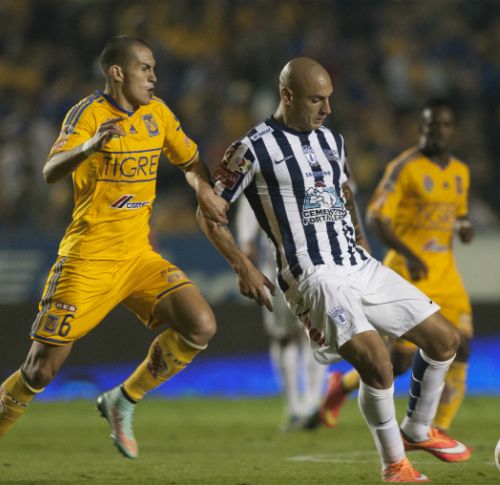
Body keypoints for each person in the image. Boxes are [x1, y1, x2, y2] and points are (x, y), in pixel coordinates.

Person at [0, 36, 228, 485]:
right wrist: (88, 148)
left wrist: (201, 186)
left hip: (139, 256)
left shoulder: (158, 113)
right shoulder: (87, 114)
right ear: (117, 72)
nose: (154, 76)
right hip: (87, 258)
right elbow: (50, 170)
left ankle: (124, 399)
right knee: (39, 369)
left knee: (200, 324)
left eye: (154, 68)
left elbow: (190, 159)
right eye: (145, 67)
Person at [196, 57, 470, 483]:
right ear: (287, 96)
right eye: (317, 100)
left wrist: (360, 238)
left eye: (329, 99)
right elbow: (209, 213)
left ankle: (417, 429)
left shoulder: (331, 141)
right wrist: (243, 265)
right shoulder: (250, 148)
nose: (327, 109)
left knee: (444, 339)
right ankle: (394, 464)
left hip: (357, 263)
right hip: (313, 276)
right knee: (377, 362)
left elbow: (343, 193)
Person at [319, 99, 475, 439]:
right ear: (421, 128)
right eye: (431, 125)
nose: (437, 131)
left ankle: (439, 427)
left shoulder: (461, 172)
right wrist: (411, 254)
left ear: (452, 130)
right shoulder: (404, 167)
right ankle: (340, 384)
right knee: (400, 363)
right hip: (408, 273)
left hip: (447, 276)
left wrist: (464, 226)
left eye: (444, 125)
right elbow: (376, 217)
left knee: (461, 346)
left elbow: (459, 213)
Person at [235, 197, 327, 430]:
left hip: (306, 262)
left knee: (303, 335)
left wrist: (247, 243)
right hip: (290, 264)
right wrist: (246, 243)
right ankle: (304, 406)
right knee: (301, 334)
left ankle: (305, 406)